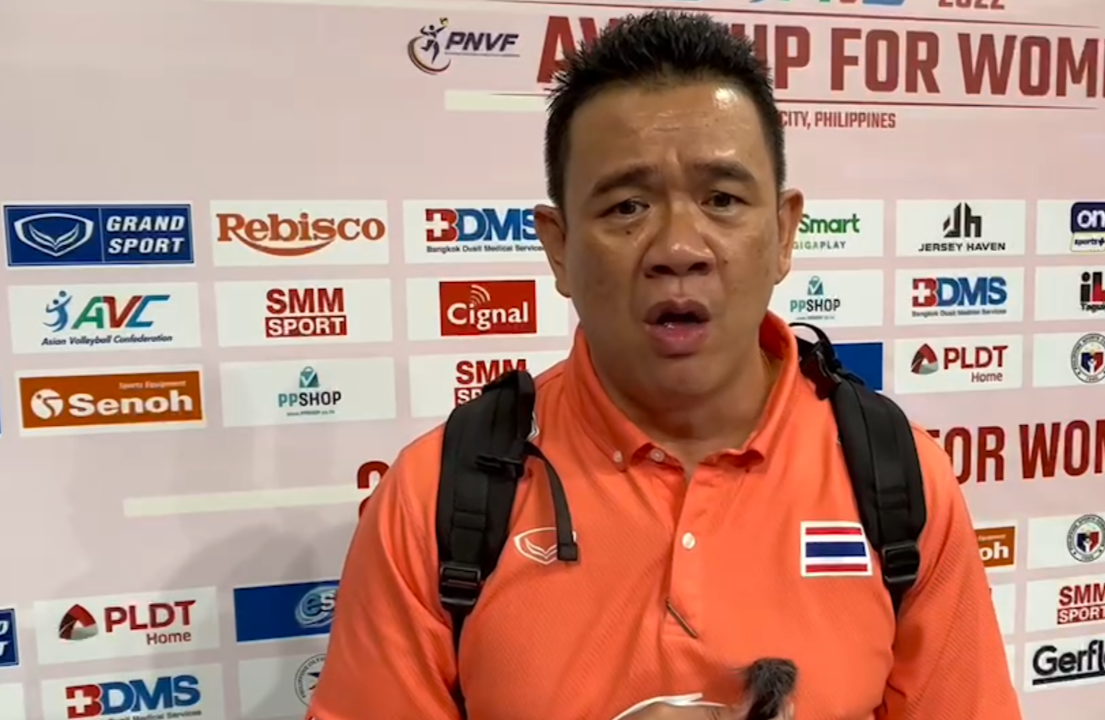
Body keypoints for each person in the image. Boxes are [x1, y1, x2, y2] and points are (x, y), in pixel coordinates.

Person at [307, 9, 1021, 720]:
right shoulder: (434, 497)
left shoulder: (899, 478)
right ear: (559, 247)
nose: (679, 247)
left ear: (783, 233)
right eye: (627, 206)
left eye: (722, 199)